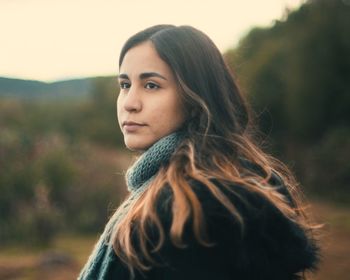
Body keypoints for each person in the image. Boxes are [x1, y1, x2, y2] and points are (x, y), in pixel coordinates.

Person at [78, 25, 320, 280]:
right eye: (125, 84)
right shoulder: (181, 191)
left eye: (151, 85)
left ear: (194, 97)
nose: (129, 103)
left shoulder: (195, 206)